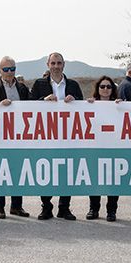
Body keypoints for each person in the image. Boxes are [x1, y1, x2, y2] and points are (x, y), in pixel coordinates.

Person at [31, 52, 83, 221]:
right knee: (45, 171)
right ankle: (46, 207)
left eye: (59, 63)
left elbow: (83, 108)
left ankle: (64, 207)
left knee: (67, 171)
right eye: (53, 63)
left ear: (63, 64)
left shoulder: (73, 85)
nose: (56, 66)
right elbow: (29, 105)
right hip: (46, 136)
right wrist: (43, 100)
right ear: (48, 64)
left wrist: (75, 100)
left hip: (68, 136)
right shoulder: (39, 84)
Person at [0, 56, 31, 219]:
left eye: (12, 69)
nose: (9, 72)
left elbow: (32, 107)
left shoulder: (22, 88)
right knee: (0, 172)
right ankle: (0, 206)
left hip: (19, 136)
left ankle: (17, 206)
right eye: (6, 69)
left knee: (18, 171)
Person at [85, 76, 119, 222]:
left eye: (108, 87)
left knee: (113, 181)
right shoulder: (90, 104)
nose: (105, 89)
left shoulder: (119, 105)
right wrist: (86, 105)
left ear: (113, 89)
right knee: (95, 179)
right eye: (102, 86)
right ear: (97, 88)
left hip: (114, 148)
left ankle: (111, 210)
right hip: (95, 148)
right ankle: (94, 209)